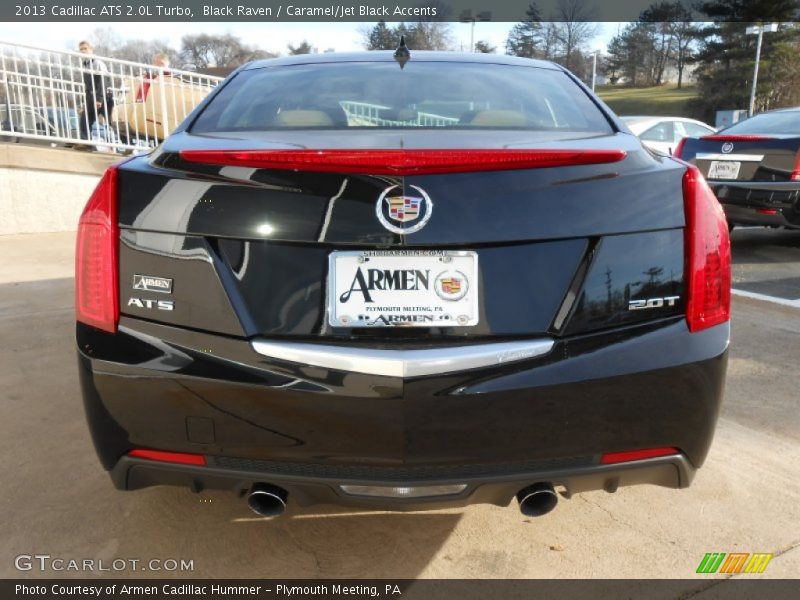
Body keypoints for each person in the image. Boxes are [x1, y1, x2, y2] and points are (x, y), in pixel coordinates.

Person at [77, 40, 115, 140]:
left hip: (104, 96)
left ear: (91, 49)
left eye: (85, 48)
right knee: (85, 120)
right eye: (81, 49)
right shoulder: (85, 64)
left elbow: (103, 81)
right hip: (92, 97)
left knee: (112, 122)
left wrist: (100, 99)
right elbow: (88, 86)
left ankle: (125, 144)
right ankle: (86, 144)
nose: (83, 51)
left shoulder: (98, 62)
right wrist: (84, 104)